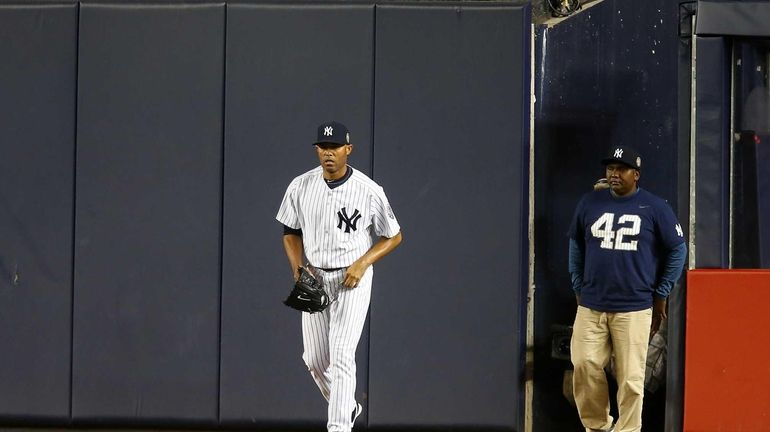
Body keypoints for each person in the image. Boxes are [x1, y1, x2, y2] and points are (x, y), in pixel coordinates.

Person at [276, 121, 402, 432]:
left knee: (343, 353)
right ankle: (349, 407)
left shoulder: (369, 190)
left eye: (334, 147)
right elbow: (290, 232)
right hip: (315, 277)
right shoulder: (300, 186)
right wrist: (296, 267)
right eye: (323, 147)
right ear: (316, 149)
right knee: (316, 361)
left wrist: (363, 262)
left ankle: (338, 428)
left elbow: (394, 236)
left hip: (352, 280)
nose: (328, 153)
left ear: (348, 149)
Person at [567, 146, 686, 432]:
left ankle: (628, 430)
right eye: (610, 168)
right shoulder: (589, 202)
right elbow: (575, 244)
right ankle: (597, 427)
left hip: (634, 307)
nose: (614, 174)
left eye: (621, 169)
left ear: (636, 174)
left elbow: (677, 250)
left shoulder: (655, 207)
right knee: (583, 364)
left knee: (632, 380)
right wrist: (577, 283)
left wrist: (661, 293)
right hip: (592, 305)